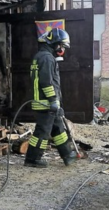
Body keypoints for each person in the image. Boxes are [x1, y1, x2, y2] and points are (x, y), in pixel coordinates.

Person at [24, 28, 78, 168]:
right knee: (42, 132)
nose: (62, 49)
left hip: (48, 102)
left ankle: (67, 155)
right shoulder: (46, 58)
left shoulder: (43, 56)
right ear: (55, 43)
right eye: (62, 46)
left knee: (58, 129)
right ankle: (32, 159)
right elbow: (46, 82)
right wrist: (53, 100)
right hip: (46, 103)